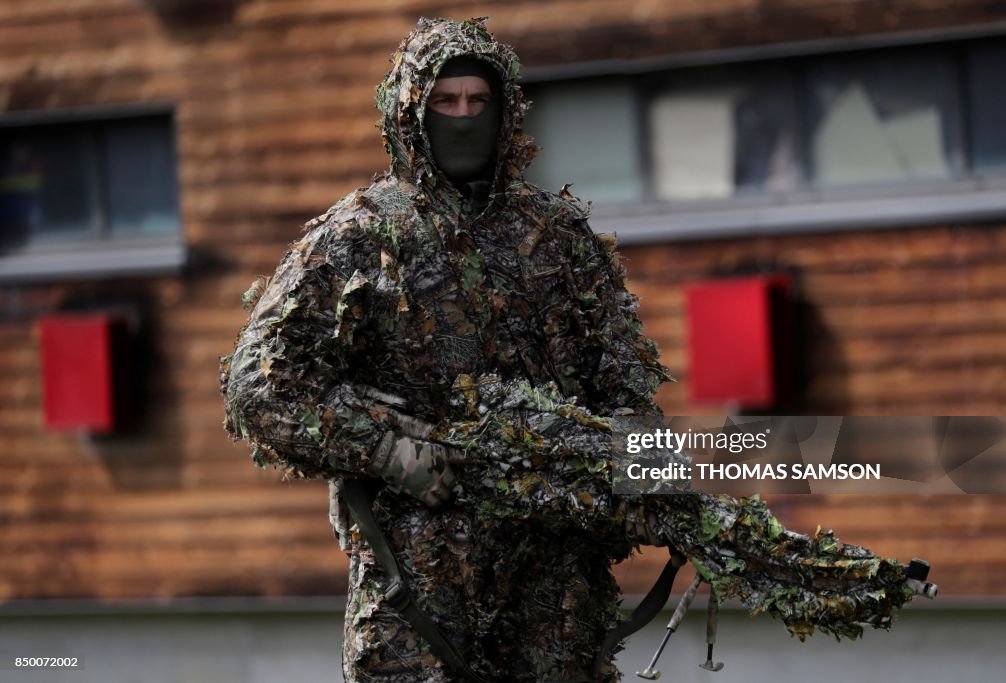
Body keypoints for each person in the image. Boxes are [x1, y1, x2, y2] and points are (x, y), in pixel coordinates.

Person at [221, 17, 932, 683]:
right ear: (410, 112)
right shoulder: (360, 237)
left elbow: (623, 397)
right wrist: (389, 450)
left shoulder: (557, 239)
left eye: (478, 99)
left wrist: (654, 483)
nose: (464, 116)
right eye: (445, 100)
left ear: (505, 111)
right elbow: (259, 384)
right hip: (421, 587)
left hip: (558, 591)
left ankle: (850, 581)